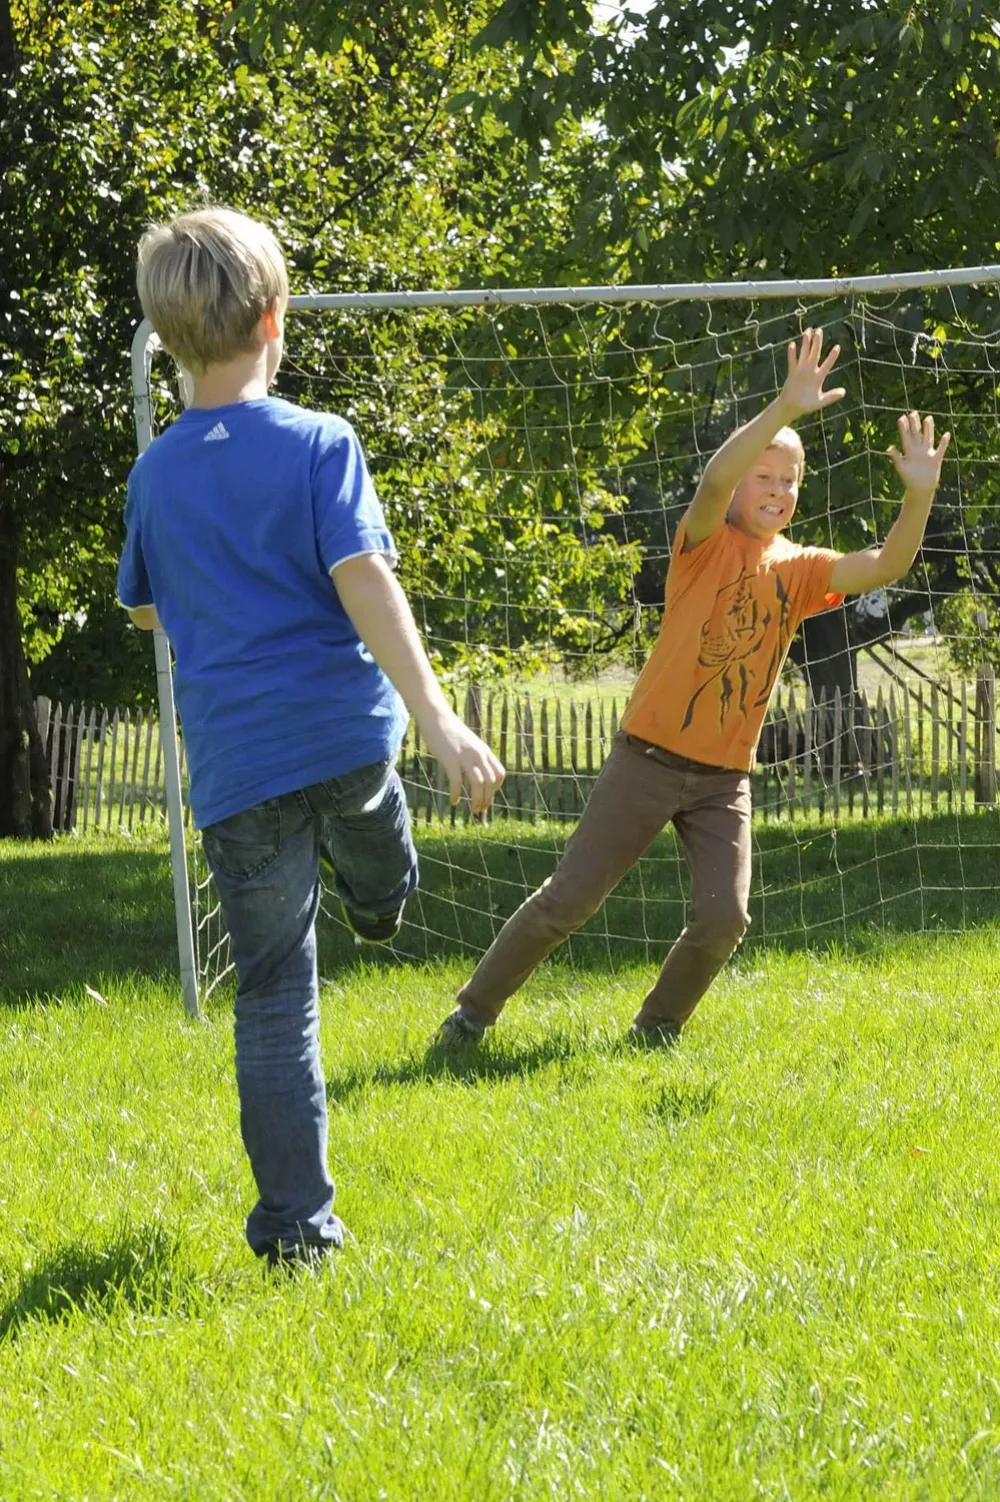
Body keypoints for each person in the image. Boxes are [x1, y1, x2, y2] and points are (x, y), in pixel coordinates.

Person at [117, 206, 504, 1267]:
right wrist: (438, 717)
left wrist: (213, 587)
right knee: (373, 848)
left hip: (237, 768)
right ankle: (379, 897)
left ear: (170, 338)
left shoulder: (154, 474)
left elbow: (144, 609)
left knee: (275, 998)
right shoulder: (320, 441)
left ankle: (296, 1235)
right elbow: (364, 577)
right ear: (274, 320)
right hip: (344, 740)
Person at [434, 329, 950, 1051]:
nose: (778, 490)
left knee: (724, 918)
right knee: (570, 900)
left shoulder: (801, 569)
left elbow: (884, 567)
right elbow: (712, 481)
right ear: (740, 483)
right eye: (764, 476)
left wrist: (918, 496)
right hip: (645, 760)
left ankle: (656, 1030)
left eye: (789, 481)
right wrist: (784, 409)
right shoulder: (703, 542)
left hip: (723, 780)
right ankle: (471, 1015)